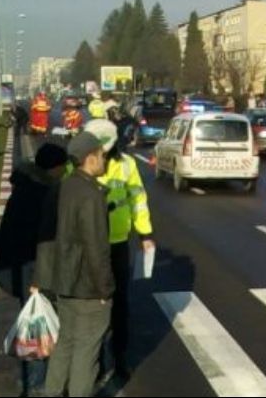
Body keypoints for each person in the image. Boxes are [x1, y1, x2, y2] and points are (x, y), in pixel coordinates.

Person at [33, 125, 118, 398]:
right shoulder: (91, 194)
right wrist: (105, 289)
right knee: (86, 351)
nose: (104, 160)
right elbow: (97, 248)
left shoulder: (61, 187)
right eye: (102, 155)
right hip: (88, 286)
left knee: (65, 343)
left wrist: (42, 279)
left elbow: (45, 237)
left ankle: (53, 392)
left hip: (64, 282)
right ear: (91, 157)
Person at [0, 143, 67, 395]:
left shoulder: (25, 187)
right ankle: (36, 383)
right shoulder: (40, 193)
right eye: (63, 166)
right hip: (30, 266)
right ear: (55, 167)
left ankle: (30, 380)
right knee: (38, 323)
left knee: (35, 321)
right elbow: (41, 235)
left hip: (16, 263)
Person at [84, 119, 154, 381]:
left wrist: (145, 233)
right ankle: (96, 360)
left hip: (117, 242)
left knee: (119, 304)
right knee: (92, 304)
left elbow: (138, 199)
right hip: (89, 244)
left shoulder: (126, 164)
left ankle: (119, 357)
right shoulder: (79, 162)